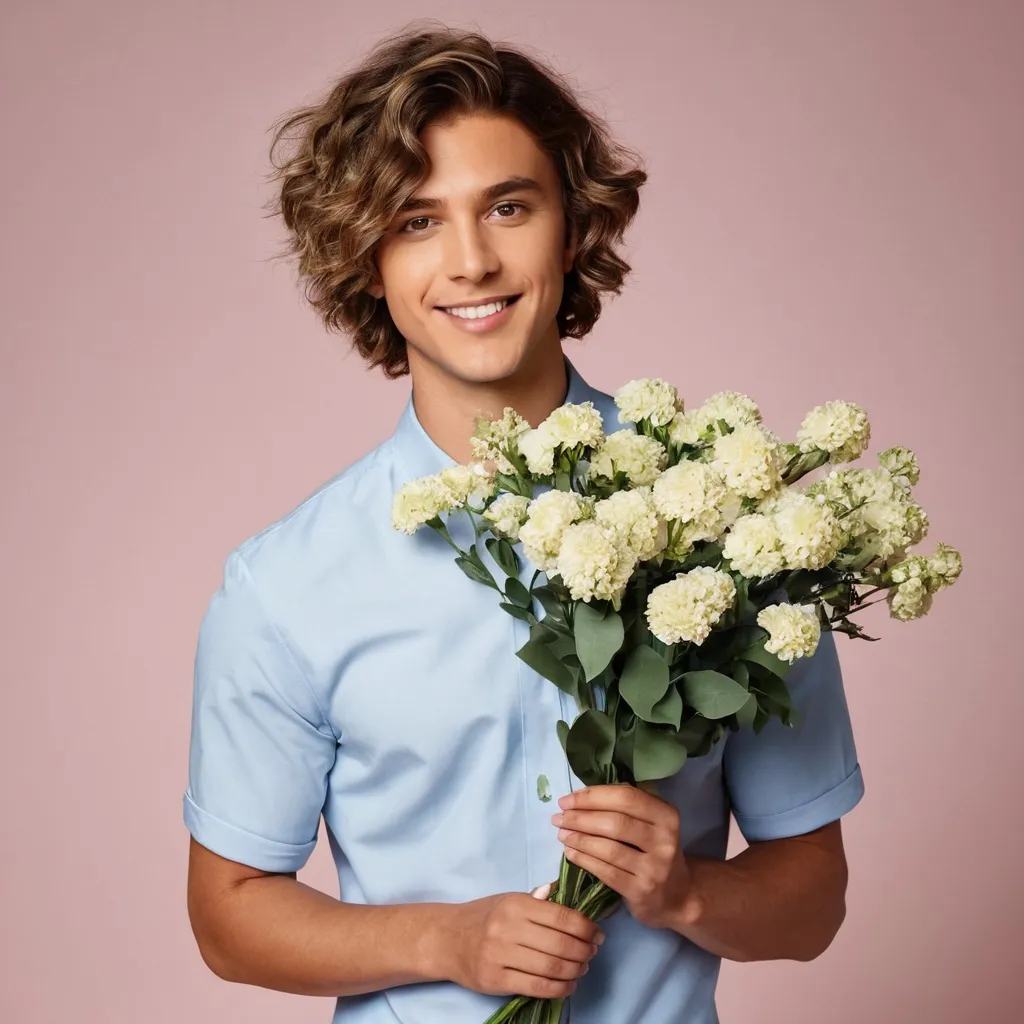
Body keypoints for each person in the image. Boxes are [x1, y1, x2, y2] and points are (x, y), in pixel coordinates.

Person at [182, 21, 865, 1024]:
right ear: (367, 261)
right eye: (415, 221)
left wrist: (685, 893)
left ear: (572, 227)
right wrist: (442, 938)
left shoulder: (729, 528)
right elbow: (226, 917)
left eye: (508, 206)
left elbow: (812, 902)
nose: (471, 261)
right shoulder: (285, 585)